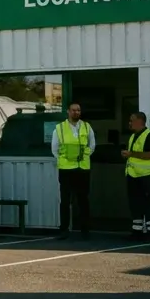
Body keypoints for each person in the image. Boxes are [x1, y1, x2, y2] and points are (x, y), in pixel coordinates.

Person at [51, 102, 95, 237]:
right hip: (66, 169)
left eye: (78, 110)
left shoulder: (87, 127)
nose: (76, 112)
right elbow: (55, 149)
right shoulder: (59, 128)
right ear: (68, 112)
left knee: (83, 200)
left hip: (82, 169)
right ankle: (64, 229)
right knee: (65, 201)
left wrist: (84, 156)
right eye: (73, 110)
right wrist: (65, 159)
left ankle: (85, 230)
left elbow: (92, 145)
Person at [122, 111, 150, 238]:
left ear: (140, 121)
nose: (130, 123)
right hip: (133, 175)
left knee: (147, 203)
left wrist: (131, 154)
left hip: (146, 176)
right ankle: (137, 230)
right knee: (135, 204)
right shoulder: (133, 136)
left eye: (132, 120)